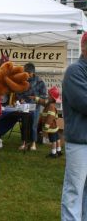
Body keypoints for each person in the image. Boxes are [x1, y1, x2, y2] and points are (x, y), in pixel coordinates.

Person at [61, 32, 87, 221]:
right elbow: (84, 103)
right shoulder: (75, 71)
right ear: (84, 47)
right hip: (80, 143)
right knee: (74, 191)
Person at [16, 62, 47, 151]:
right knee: (24, 124)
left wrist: (36, 99)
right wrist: (20, 99)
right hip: (24, 106)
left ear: (33, 72)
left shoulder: (40, 81)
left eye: (28, 73)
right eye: (25, 73)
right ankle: (24, 142)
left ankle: (33, 143)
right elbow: (18, 92)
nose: (27, 75)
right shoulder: (22, 80)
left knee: (33, 125)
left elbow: (44, 95)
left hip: (35, 107)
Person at [30, 86, 62, 158]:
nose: (47, 96)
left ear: (52, 97)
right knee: (57, 138)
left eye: (49, 95)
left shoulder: (50, 106)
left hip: (51, 127)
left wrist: (45, 127)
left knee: (53, 140)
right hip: (54, 126)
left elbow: (49, 118)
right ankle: (59, 151)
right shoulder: (49, 103)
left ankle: (53, 153)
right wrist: (35, 98)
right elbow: (43, 101)